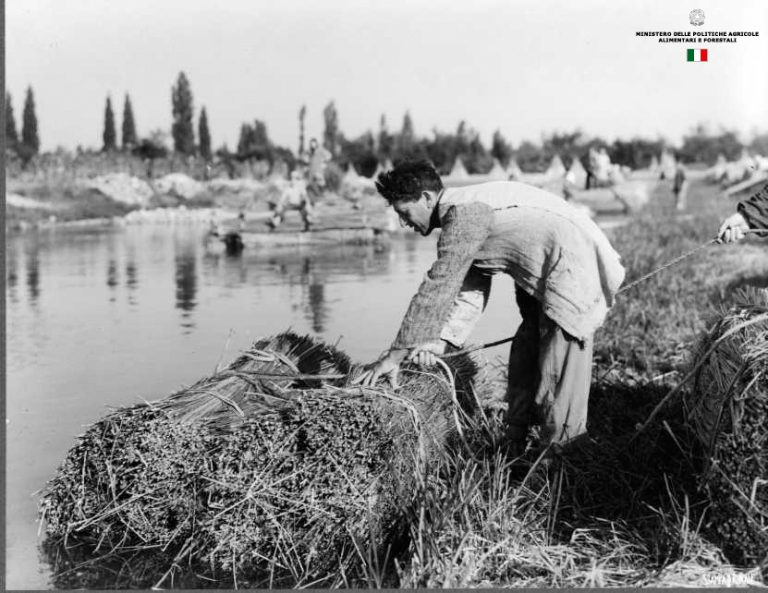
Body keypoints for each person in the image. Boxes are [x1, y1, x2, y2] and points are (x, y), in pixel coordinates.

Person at [355, 160, 626, 455]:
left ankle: (561, 465)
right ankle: (515, 444)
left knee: (558, 373)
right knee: (525, 351)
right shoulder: (461, 215)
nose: (404, 223)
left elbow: (438, 285)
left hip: (574, 271)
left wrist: (396, 354)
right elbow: (469, 290)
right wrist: (440, 342)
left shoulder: (464, 214)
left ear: (427, 198)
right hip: (549, 273)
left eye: (404, 213)